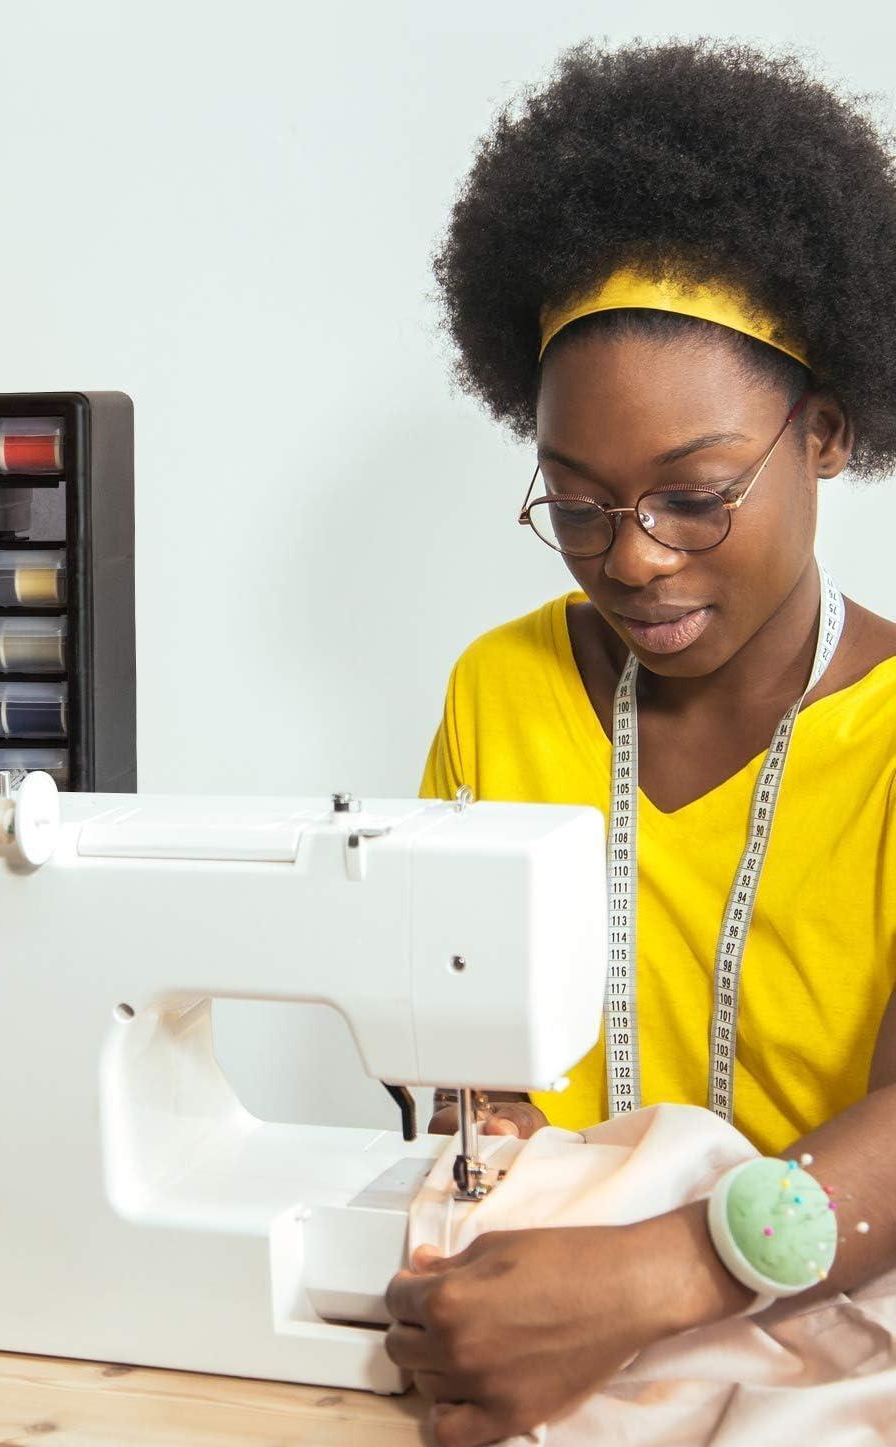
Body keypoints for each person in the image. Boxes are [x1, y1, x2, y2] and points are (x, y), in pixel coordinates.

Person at [382, 39, 896, 1447]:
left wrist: (660, 1273)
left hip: (839, 1328)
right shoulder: (501, 689)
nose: (639, 560)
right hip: (548, 1299)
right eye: (581, 504)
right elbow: (459, 1070)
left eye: (695, 496)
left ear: (829, 433)